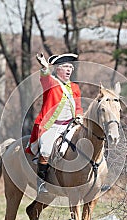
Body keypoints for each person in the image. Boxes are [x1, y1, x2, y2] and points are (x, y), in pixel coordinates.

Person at [25, 52, 83, 193]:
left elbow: (78, 106)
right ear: (57, 69)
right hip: (52, 125)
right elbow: (45, 77)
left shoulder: (75, 87)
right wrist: (45, 67)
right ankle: (41, 182)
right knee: (46, 149)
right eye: (65, 66)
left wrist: (80, 116)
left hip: (70, 125)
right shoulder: (51, 83)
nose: (69, 69)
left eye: (71, 67)